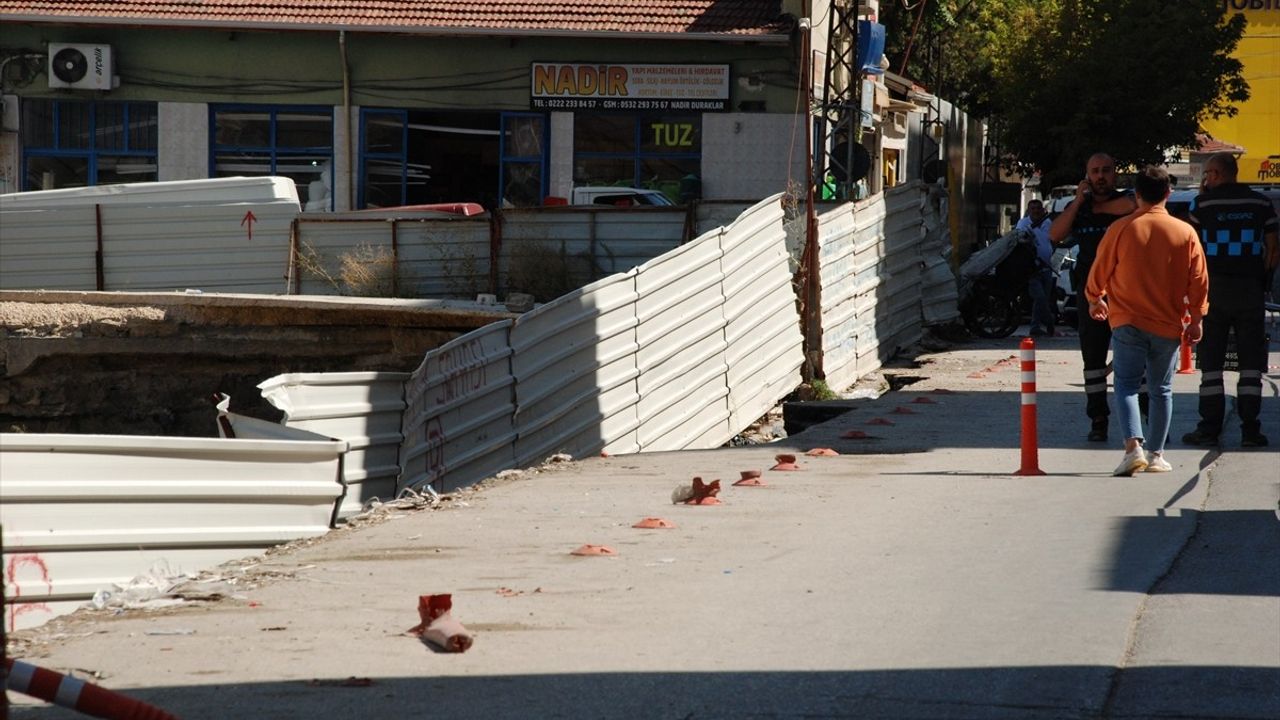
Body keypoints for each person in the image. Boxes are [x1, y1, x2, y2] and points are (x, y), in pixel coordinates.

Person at [1084, 165, 1209, 476]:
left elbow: (1100, 269)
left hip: (1126, 319)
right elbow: (1199, 280)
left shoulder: (1121, 229)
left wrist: (1094, 298)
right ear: (1168, 194)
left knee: (1125, 386)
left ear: (1137, 194)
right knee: (1161, 389)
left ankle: (1132, 449)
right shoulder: (1185, 232)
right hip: (1167, 323)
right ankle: (1155, 454)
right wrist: (1196, 318)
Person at [1182, 152, 1280, 447]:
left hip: (1214, 292)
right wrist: (1261, 279)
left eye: (1209, 174)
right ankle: (1251, 429)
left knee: (1211, 362)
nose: (1206, 179)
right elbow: (1273, 247)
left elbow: (1192, 250)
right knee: (1251, 363)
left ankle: (1208, 428)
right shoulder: (1261, 203)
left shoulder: (1202, 204)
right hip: (1250, 291)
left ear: (1217, 174)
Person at [1049, 153, 1140, 441]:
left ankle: (1145, 419)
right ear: (1086, 176)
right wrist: (1077, 202)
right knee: (1093, 360)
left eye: (1106, 171)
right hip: (1092, 295)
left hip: (1126, 293)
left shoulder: (1128, 200)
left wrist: (1098, 205)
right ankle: (1098, 419)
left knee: (1138, 357)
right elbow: (1054, 234)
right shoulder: (1080, 209)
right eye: (1095, 171)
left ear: (1115, 174)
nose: (1101, 176)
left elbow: (1132, 204)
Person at [1016, 199, 1055, 336]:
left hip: (1047, 266)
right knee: (1040, 297)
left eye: (1038, 208)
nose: (1036, 211)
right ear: (1029, 210)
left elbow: (1050, 239)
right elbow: (1020, 239)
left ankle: (1035, 326)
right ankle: (1050, 322)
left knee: (1044, 298)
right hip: (1032, 268)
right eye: (1033, 208)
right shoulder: (1023, 223)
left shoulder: (1047, 222)